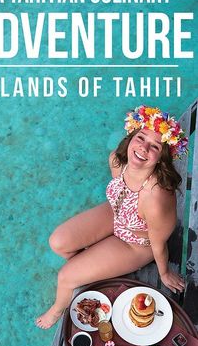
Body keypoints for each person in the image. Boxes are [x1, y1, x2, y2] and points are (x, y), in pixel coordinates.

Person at [36, 105, 188, 329]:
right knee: (57, 243)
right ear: (131, 137)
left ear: (162, 157)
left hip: (136, 242)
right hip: (115, 213)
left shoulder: (155, 197)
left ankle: (58, 308)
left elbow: (158, 242)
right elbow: (120, 192)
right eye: (141, 137)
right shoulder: (117, 161)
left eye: (154, 146)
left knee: (65, 276)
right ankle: (91, 266)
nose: (143, 148)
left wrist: (164, 273)